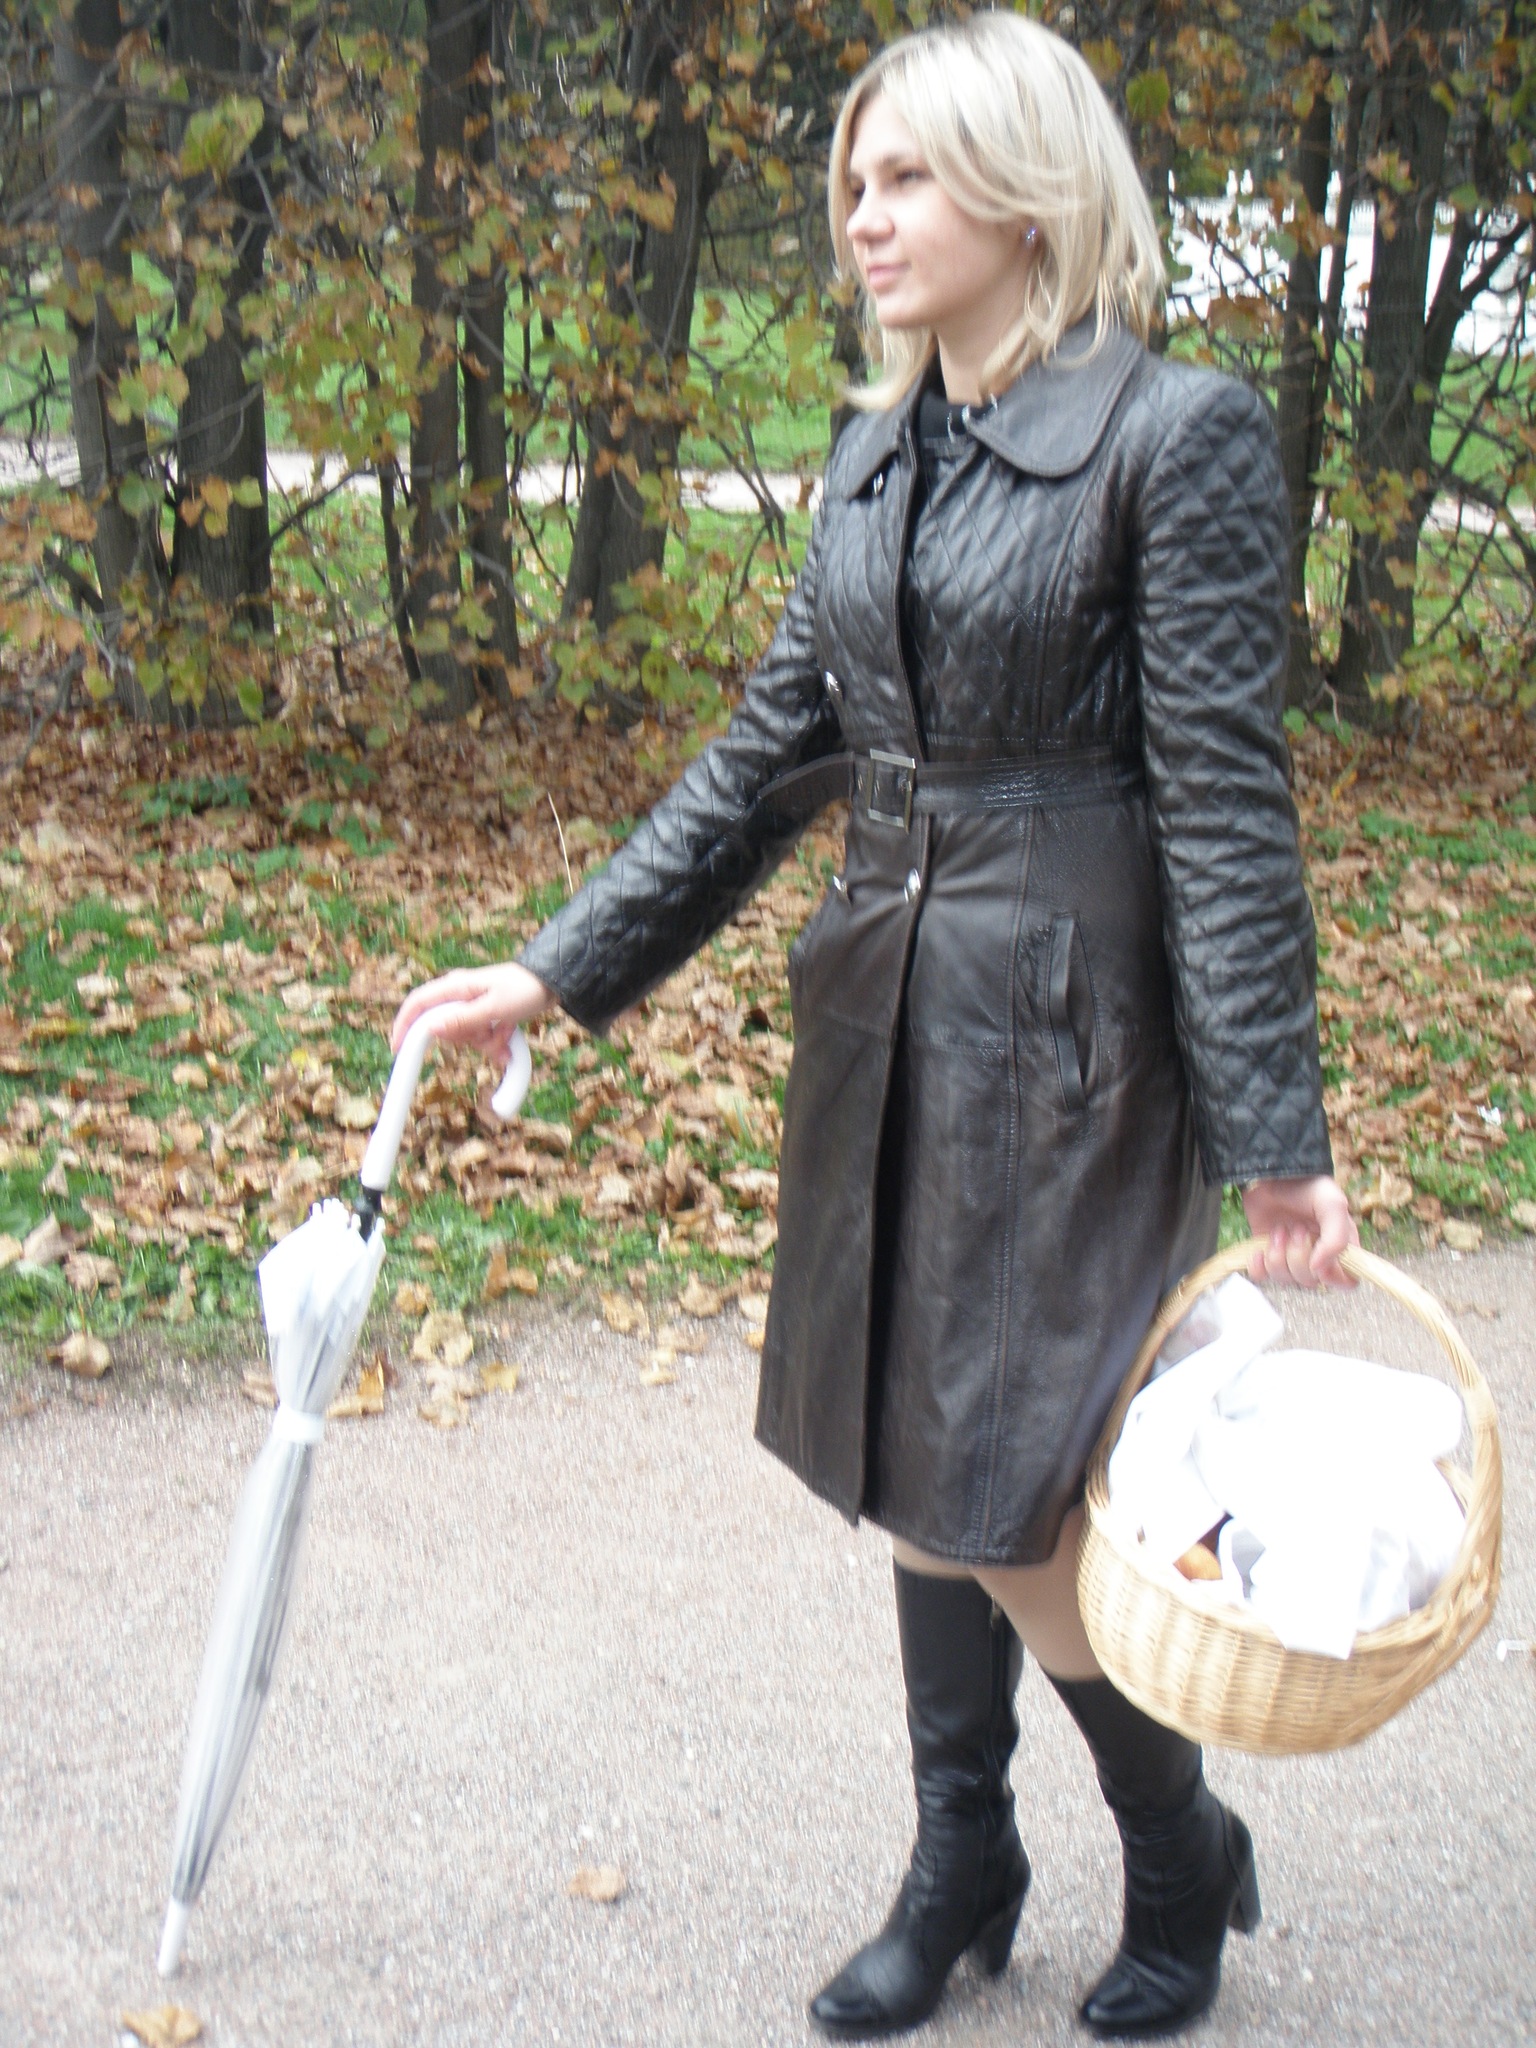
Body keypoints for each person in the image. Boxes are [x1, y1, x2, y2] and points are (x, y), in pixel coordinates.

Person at [391, 13, 1359, 2040]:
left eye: (907, 174)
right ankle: (963, 1853)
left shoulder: (1173, 437)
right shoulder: (875, 452)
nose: (864, 213)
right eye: (854, 179)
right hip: (893, 1014)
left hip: (1079, 1048)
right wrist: (561, 967)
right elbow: (769, 757)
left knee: (1019, 1490)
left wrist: (1277, 1132)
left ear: (1027, 191)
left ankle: (1174, 1848)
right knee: (913, 1452)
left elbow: (1224, 804)